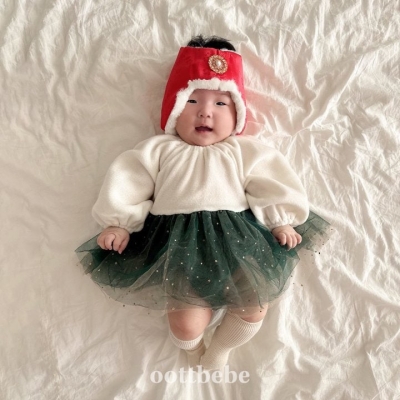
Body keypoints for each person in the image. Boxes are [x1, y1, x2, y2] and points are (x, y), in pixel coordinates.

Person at [76, 35, 330, 370]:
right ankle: (194, 348)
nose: (205, 112)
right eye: (192, 101)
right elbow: (129, 180)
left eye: (221, 104)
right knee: (185, 324)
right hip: (175, 247)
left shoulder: (243, 151)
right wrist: (119, 223)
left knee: (254, 304)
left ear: (237, 112)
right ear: (174, 109)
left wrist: (279, 219)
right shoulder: (159, 150)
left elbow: (270, 181)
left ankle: (221, 348)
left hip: (238, 241)